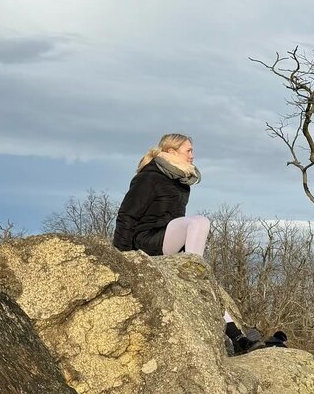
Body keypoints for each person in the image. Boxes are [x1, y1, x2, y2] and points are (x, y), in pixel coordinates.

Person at [113, 132, 264, 353]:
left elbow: (175, 222)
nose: (192, 155)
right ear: (171, 152)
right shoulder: (149, 177)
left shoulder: (181, 182)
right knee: (199, 223)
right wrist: (120, 256)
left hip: (167, 239)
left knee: (207, 287)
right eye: (188, 150)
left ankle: (237, 337)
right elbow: (127, 215)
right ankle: (194, 273)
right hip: (146, 240)